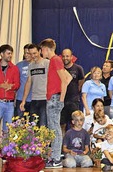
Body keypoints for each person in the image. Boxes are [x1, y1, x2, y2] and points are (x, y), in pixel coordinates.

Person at [39, 38, 73, 168]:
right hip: (53, 97)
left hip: (55, 99)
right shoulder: (55, 61)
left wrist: (61, 99)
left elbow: (64, 80)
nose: (42, 52)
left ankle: (56, 159)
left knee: (55, 129)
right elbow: (68, 77)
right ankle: (55, 157)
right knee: (54, 128)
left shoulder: (55, 60)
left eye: (42, 50)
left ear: (46, 49)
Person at [20, 44, 49, 126]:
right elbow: (28, 82)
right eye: (31, 54)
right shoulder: (31, 66)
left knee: (43, 125)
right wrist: (23, 100)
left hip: (45, 98)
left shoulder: (47, 63)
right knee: (33, 125)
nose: (33, 56)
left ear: (40, 51)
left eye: (35, 53)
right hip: (34, 99)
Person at [62, 49, 85, 131]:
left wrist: (76, 91)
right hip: (61, 101)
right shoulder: (60, 69)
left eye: (67, 56)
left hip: (73, 100)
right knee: (62, 124)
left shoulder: (78, 68)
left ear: (71, 57)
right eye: (63, 56)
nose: (65, 58)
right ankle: (63, 143)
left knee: (74, 124)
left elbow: (81, 81)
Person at [15, 44, 34, 116]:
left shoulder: (37, 65)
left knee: (33, 123)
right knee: (19, 123)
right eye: (25, 53)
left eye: (28, 53)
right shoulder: (18, 65)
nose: (26, 55)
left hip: (33, 99)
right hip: (20, 98)